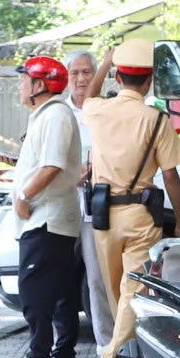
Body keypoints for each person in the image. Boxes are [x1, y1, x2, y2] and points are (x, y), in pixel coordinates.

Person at [85, 39, 180, 358]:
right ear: (148, 83)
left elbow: (88, 95)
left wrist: (105, 61)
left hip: (102, 217)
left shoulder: (97, 111)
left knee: (121, 294)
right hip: (141, 217)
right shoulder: (156, 120)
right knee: (133, 293)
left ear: (118, 77)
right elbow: (171, 175)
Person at [7, 54, 85, 358]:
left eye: (25, 79)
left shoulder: (55, 116)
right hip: (50, 218)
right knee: (60, 289)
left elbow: (51, 166)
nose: (21, 85)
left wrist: (24, 198)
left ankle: (40, 357)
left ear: (39, 85)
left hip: (46, 218)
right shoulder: (47, 116)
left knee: (34, 288)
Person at [64, 49, 106, 336]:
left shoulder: (106, 110)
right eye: (74, 73)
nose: (80, 79)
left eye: (86, 72)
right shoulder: (57, 112)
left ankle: (106, 345)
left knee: (97, 281)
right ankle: (59, 349)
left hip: (95, 208)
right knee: (59, 280)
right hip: (63, 207)